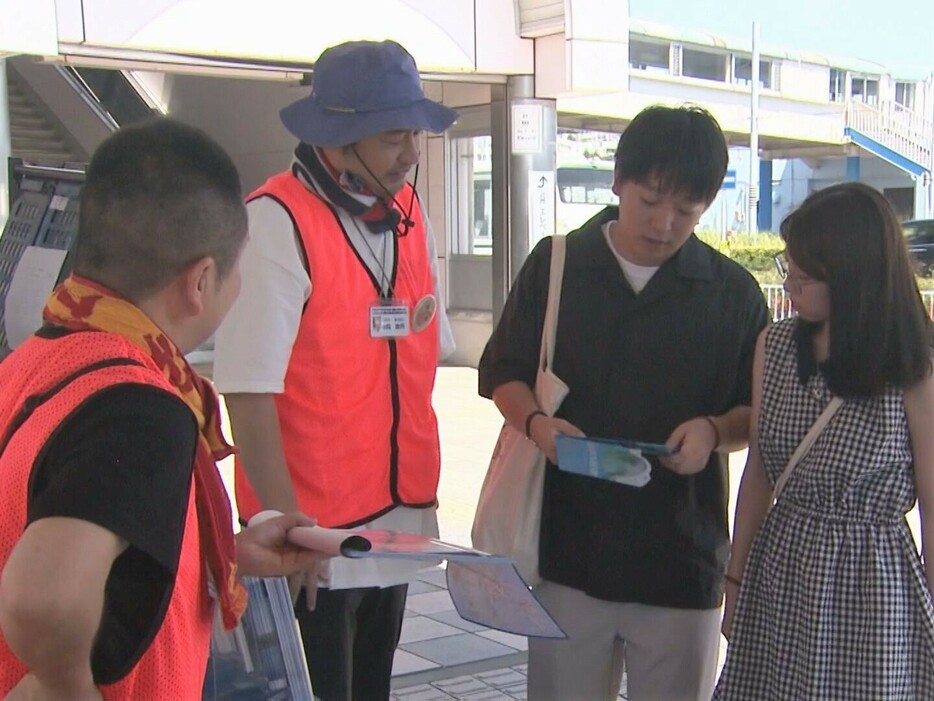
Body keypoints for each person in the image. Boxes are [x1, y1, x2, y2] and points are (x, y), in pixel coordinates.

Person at [0, 118, 327, 700]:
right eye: (238, 268)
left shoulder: (40, 358)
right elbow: (42, 603)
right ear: (201, 280)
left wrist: (219, 547)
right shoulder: (139, 409)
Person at [478, 104, 771, 701]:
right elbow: (502, 371)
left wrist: (714, 432)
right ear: (618, 182)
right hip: (568, 553)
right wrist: (539, 426)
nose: (664, 223)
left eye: (686, 210)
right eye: (649, 201)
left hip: (681, 560)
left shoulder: (732, 294)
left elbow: (756, 413)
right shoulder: (557, 264)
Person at [212, 39, 458, 701]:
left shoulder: (406, 211)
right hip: (313, 533)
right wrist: (289, 524)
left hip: (395, 515)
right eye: (392, 138)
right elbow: (248, 390)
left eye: (414, 134)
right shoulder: (275, 222)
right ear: (338, 142)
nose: (410, 153)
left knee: (370, 684)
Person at [713, 182, 934, 700]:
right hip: (783, 567)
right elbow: (760, 474)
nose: (790, 285)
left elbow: (932, 504)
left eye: (805, 276)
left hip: (873, 582)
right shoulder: (776, 346)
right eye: (788, 267)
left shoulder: (913, 365)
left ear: (854, 278)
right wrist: (736, 581)